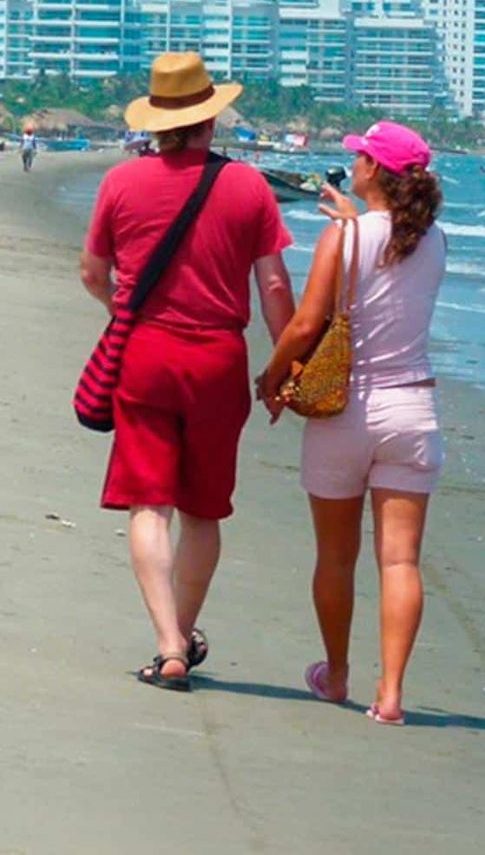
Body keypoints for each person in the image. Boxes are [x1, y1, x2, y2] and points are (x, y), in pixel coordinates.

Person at [79, 53, 296, 691]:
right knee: (204, 508)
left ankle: (169, 643)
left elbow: (95, 274)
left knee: (150, 503)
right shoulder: (248, 187)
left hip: (145, 353)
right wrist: (283, 364)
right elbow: (275, 284)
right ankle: (184, 634)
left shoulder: (122, 183)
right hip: (218, 358)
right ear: (210, 120)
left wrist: (124, 310)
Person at [258, 120, 445, 726]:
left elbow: (307, 325)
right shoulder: (435, 240)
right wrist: (350, 220)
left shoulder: (344, 240)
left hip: (347, 413)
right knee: (400, 562)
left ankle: (336, 675)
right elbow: (387, 248)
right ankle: (390, 696)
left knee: (336, 557)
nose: (355, 164)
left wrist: (272, 379)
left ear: (375, 172)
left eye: (361, 157)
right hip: (413, 409)